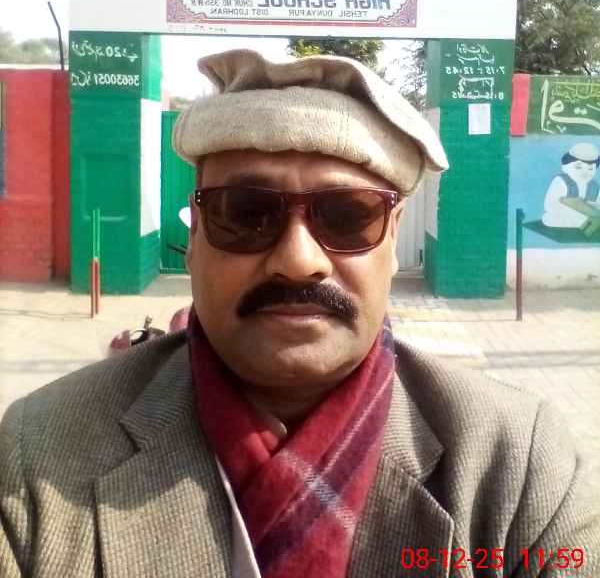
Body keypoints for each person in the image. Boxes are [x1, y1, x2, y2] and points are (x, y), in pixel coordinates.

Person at [0, 49, 598, 578]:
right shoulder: (40, 451)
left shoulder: (516, 467)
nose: (298, 261)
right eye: (245, 213)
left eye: (349, 216)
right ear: (195, 237)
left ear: (393, 241)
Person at [542, 142, 600, 228]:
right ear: (566, 167)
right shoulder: (561, 181)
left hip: (586, 217)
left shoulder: (594, 186)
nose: (585, 172)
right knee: (549, 218)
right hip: (561, 216)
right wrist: (571, 209)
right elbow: (550, 205)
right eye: (578, 167)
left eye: (590, 169)